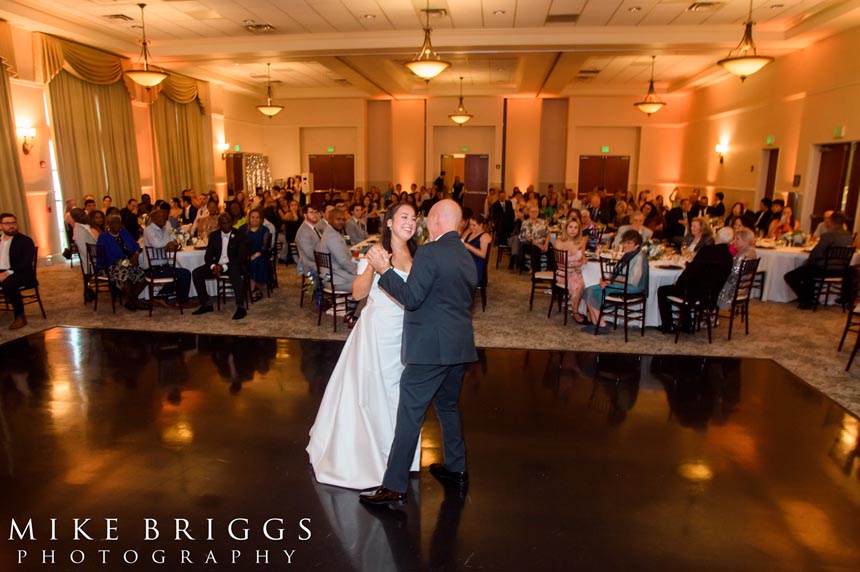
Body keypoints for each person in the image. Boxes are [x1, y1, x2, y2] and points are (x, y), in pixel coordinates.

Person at [360, 199, 478, 506]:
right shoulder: (464, 254)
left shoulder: (429, 252)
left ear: (436, 219)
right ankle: (457, 467)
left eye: (425, 217)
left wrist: (385, 270)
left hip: (430, 349)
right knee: (448, 407)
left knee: (410, 413)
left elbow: (411, 299)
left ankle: (394, 486)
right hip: (460, 346)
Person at [307, 203, 421, 489]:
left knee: (399, 394)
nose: (410, 222)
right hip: (378, 331)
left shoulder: (418, 253)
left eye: (414, 218)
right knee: (372, 393)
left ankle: (399, 456)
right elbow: (358, 292)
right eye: (404, 217)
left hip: (406, 332)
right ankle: (370, 458)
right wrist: (372, 264)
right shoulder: (376, 251)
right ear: (390, 222)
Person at [657, 227, 734, 334]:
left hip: (694, 293)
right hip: (710, 295)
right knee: (688, 287)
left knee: (662, 290)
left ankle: (668, 325)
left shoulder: (707, 250)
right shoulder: (728, 257)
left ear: (717, 237)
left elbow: (691, 271)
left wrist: (678, 282)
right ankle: (686, 323)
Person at [582, 229, 649, 335]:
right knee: (587, 291)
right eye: (625, 242)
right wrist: (604, 279)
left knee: (591, 291)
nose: (625, 245)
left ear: (637, 245)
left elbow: (633, 280)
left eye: (629, 243)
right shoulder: (627, 255)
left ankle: (602, 325)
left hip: (632, 287)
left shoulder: (639, 257)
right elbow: (616, 272)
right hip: (620, 284)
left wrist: (611, 282)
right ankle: (596, 323)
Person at [784, 211, 853, 309]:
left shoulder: (828, 235)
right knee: (807, 271)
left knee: (791, 276)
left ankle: (806, 299)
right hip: (841, 270)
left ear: (831, 222)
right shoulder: (848, 236)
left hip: (824, 269)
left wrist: (809, 262)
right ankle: (809, 298)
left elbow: (816, 253)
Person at [191, 213, 249, 320]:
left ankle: (241, 307)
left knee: (235, 273)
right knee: (197, 273)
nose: (226, 225)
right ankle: (206, 303)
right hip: (217, 265)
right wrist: (213, 266)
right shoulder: (214, 235)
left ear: (232, 223)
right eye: (223, 223)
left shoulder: (240, 235)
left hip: (233, 265)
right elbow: (208, 255)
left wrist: (224, 267)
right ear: (219, 224)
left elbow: (240, 258)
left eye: (228, 222)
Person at [142, 206, 193, 308]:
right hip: (153, 268)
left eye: (164, 216)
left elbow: (173, 241)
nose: (163, 219)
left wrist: (171, 244)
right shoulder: (148, 230)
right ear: (153, 218)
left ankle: (160, 297)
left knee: (180, 274)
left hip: (164, 266)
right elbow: (157, 244)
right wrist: (169, 244)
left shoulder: (164, 230)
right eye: (160, 216)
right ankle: (182, 301)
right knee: (184, 274)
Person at [96, 213, 147, 312]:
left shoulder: (124, 233)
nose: (117, 225)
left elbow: (136, 245)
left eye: (119, 223)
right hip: (110, 266)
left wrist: (136, 255)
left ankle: (132, 299)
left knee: (143, 275)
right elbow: (105, 256)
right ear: (108, 224)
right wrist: (125, 262)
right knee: (124, 275)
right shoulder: (103, 237)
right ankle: (133, 301)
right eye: (114, 223)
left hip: (128, 264)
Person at [317, 207, 358, 324]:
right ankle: (352, 313)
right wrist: (357, 272)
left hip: (334, 275)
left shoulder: (329, 232)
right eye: (338, 219)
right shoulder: (332, 236)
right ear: (330, 220)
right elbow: (343, 261)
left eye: (343, 219)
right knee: (365, 281)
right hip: (335, 280)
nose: (341, 222)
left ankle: (347, 307)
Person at [0, 213, 37, 330]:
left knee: (8, 283)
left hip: (21, 272)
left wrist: (6, 273)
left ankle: (20, 316)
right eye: (7, 223)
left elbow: (25, 263)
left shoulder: (25, 241)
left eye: (13, 223)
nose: (11, 226)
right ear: (1, 226)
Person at [553, 218, 587, 324]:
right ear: (566, 228)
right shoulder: (559, 242)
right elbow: (559, 264)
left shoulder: (580, 242)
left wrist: (581, 262)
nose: (573, 230)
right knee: (580, 284)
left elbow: (583, 259)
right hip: (563, 273)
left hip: (577, 271)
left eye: (576, 227)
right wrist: (574, 265)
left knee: (590, 282)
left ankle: (588, 313)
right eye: (570, 227)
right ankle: (575, 311)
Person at [718, 228, 758, 310]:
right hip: (744, 286)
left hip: (735, 288)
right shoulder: (752, 252)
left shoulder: (742, 256)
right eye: (734, 238)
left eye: (737, 239)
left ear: (746, 241)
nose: (733, 241)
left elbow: (734, 274)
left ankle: (709, 314)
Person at [245, 209, 270, 302]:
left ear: (260, 219)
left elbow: (264, 247)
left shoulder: (264, 230)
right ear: (249, 218)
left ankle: (252, 290)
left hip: (260, 255)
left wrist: (255, 255)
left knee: (254, 262)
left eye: (257, 218)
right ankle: (253, 288)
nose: (255, 220)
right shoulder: (243, 229)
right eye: (252, 217)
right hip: (246, 255)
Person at [461, 214, 492, 285]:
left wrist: (469, 247)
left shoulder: (485, 236)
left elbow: (484, 255)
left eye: (474, 225)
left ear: (481, 225)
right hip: (467, 263)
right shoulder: (469, 233)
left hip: (475, 266)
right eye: (470, 225)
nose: (471, 227)